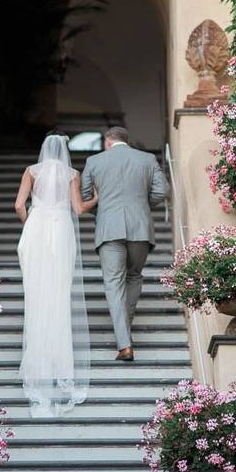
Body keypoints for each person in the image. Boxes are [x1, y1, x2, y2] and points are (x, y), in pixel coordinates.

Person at [14, 130, 97, 417]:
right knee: (59, 293)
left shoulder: (31, 171)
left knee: (37, 293)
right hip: (61, 229)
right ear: (64, 149)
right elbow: (78, 209)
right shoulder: (71, 173)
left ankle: (37, 356)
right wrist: (94, 199)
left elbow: (17, 205)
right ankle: (59, 360)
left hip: (37, 227)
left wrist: (31, 222)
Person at [80, 126, 168, 361]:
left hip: (109, 229)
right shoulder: (147, 159)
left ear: (108, 142)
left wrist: (105, 211)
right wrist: (140, 207)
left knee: (113, 283)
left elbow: (86, 196)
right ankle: (124, 335)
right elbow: (161, 192)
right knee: (134, 276)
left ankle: (124, 344)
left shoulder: (93, 161)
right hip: (140, 228)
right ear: (126, 141)